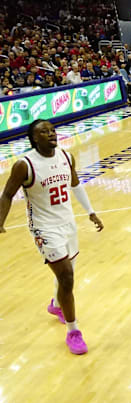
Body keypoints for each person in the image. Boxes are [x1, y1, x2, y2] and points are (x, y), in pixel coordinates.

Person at [0, 120, 104, 355]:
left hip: (67, 223)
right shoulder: (24, 165)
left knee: (67, 274)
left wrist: (91, 212)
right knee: (66, 277)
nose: (51, 134)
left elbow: (76, 185)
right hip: (43, 227)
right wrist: (0, 221)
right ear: (34, 138)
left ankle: (57, 305)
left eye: (52, 130)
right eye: (44, 132)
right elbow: (6, 194)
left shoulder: (66, 157)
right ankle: (73, 331)